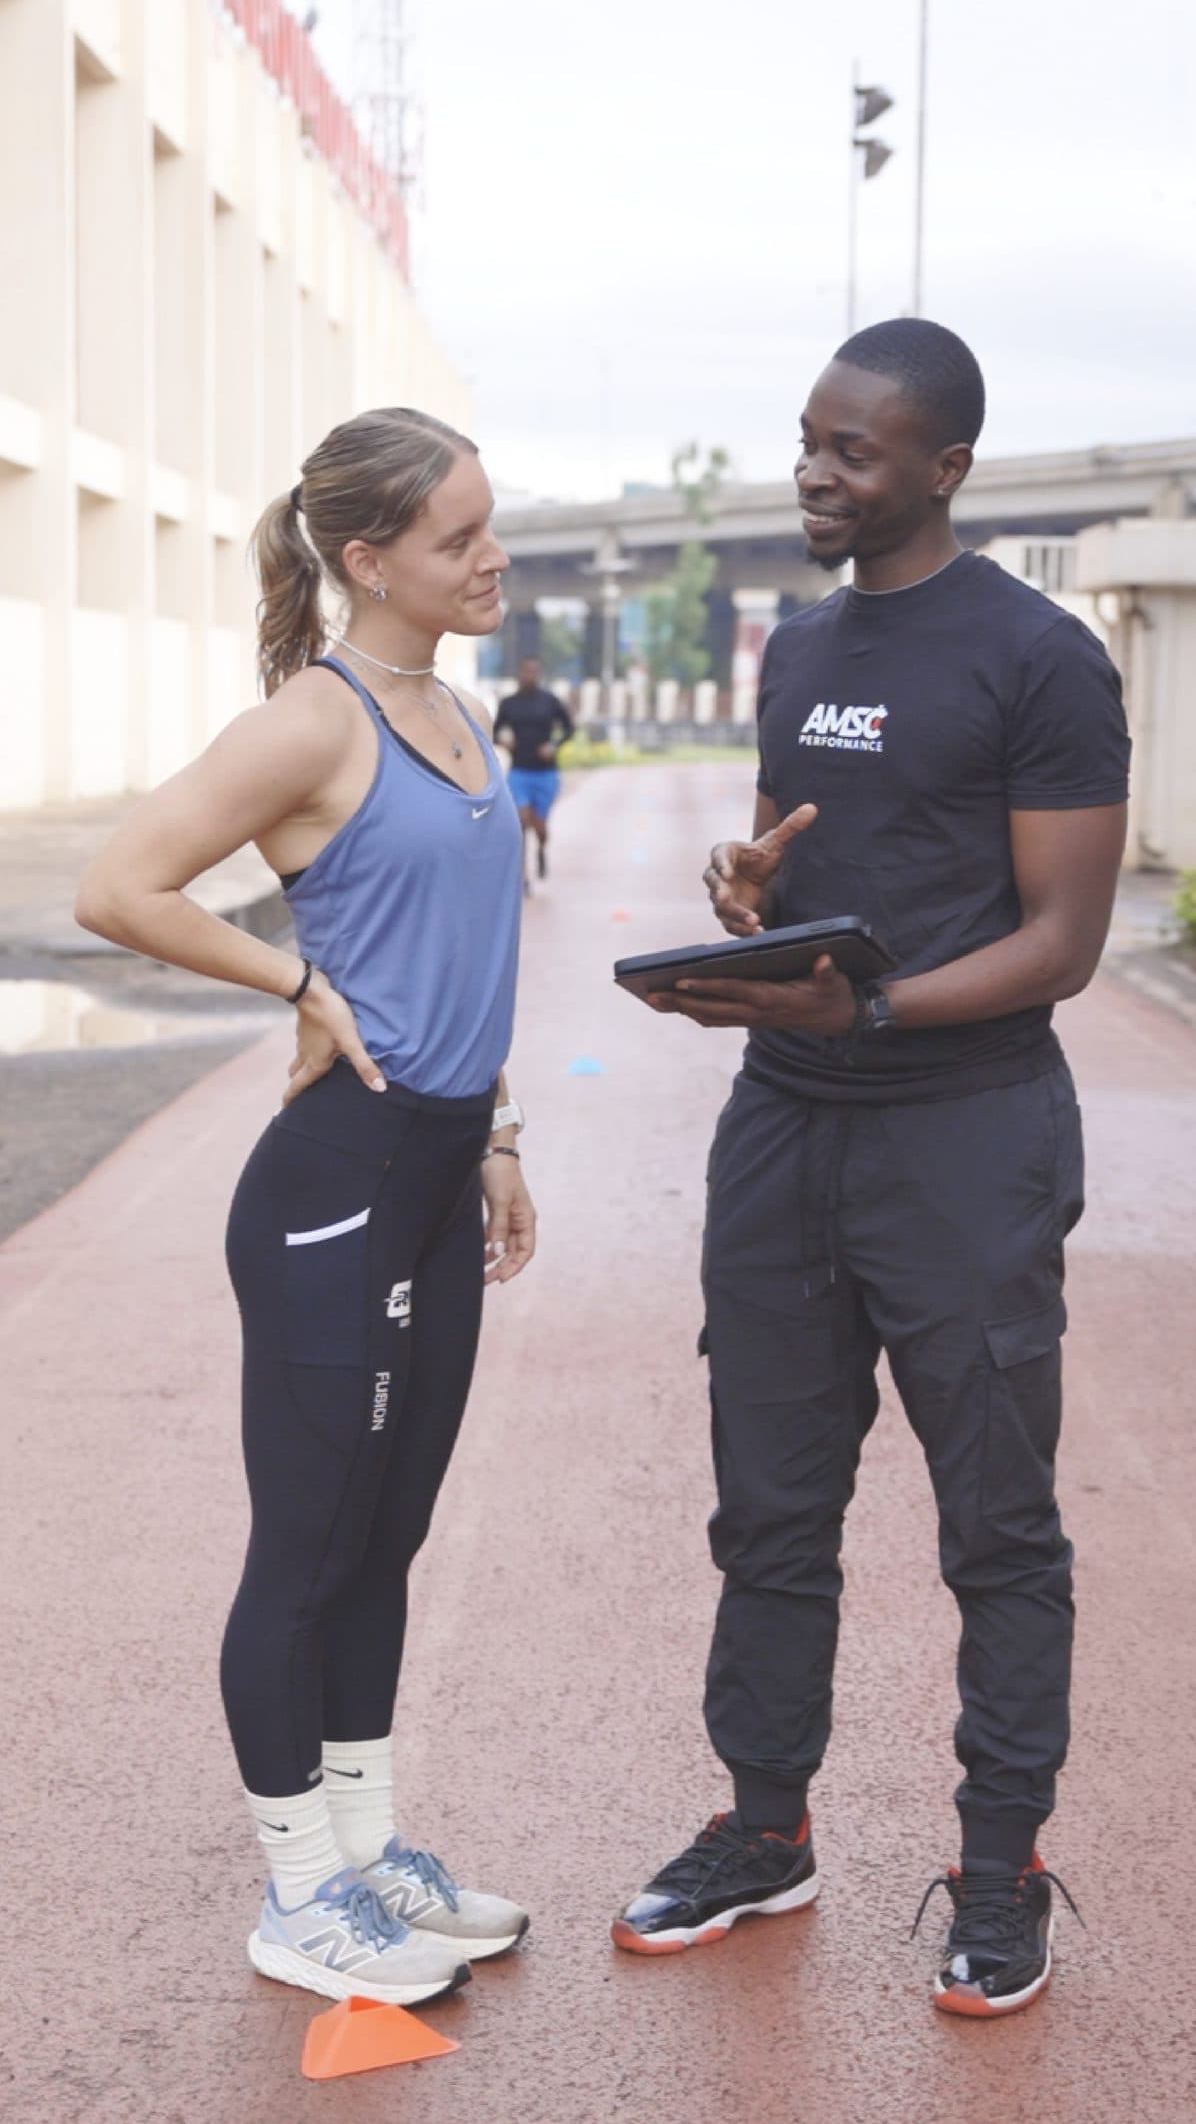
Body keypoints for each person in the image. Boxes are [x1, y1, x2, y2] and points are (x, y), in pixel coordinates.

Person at [611, 320, 1129, 2018]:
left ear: (947, 466)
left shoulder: (1042, 658)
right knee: (769, 1507)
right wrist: (750, 884)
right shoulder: (798, 641)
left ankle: (1002, 1866)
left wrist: (881, 1000)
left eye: (855, 451)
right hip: (783, 1122)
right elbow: (798, 853)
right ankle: (768, 1826)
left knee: (996, 1520)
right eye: (810, 441)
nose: (817, 473)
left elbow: (1062, 938)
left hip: (965, 1134)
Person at [76, 407, 536, 2009]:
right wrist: (297, 981)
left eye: (490, 524)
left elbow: (469, 956)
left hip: (434, 1171)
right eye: (459, 536)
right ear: (368, 559)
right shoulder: (316, 722)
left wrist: (498, 1131)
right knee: (310, 1542)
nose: (493, 556)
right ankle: (297, 1895)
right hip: (335, 1184)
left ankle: (370, 1848)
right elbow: (118, 882)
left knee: (389, 1533)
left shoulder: (454, 711)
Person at [493, 656, 574, 886]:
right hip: (519, 771)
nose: (529, 675)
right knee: (520, 821)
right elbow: (495, 731)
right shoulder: (509, 704)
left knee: (539, 824)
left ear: (539, 673)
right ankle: (523, 875)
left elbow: (569, 729)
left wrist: (554, 745)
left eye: (533, 671)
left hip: (546, 773)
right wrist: (503, 740)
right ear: (519, 673)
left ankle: (541, 847)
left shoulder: (550, 702)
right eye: (525, 671)